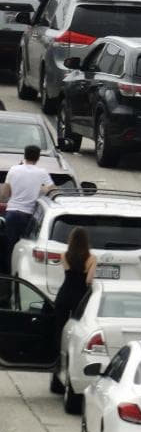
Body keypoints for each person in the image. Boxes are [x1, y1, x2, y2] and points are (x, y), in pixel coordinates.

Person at [0, 144, 55, 271]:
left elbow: (5, 194)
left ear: (24, 155)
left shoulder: (14, 170)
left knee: (10, 246)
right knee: (26, 247)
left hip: (12, 214)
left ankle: (9, 274)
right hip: (30, 216)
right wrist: (41, 190)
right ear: (38, 157)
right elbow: (53, 190)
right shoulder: (42, 173)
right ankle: (24, 271)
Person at [51, 227, 96, 379]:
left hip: (65, 293)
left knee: (59, 326)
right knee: (78, 327)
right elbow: (89, 280)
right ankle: (74, 356)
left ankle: (57, 359)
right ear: (86, 242)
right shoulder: (92, 258)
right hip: (80, 295)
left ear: (71, 240)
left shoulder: (64, 255)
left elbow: (68, 272)